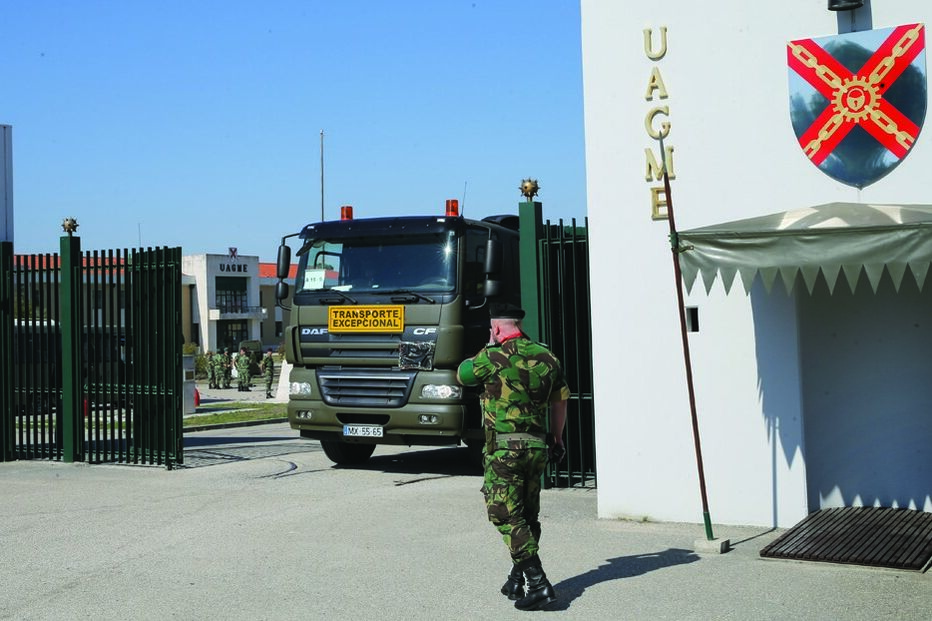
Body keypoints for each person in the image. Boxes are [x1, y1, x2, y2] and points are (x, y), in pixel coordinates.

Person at [456, 303, 570, 611]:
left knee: (505, 514)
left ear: (495, 329)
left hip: (505, 450)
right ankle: (517, 579)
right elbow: (561, 401)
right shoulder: (547, 355)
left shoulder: (490, 356)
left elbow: (462, 375)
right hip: (536, 448)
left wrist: (487, 347)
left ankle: (539, 583)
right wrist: (557, 438)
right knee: (527, 516)